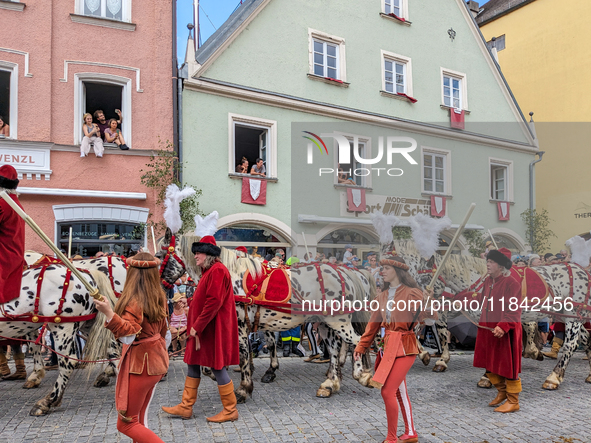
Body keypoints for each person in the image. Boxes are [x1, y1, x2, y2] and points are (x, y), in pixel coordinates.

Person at [353, 252, 434, 443]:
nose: (382, 272)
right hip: (386, 347)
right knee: (399, 391)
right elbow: (372, 325)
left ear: (397, 271)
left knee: (387, 391)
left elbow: (428, 319)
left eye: (386, 268)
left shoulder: (412, 292)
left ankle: (391, 438)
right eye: (381, 268)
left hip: (405, 346)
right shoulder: (381, 296)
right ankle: (411, 432)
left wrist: (428, 302)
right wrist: (361, 346)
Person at [162, 236, 240, 422]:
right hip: (204, 330)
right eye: (195, 253)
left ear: (209, 254)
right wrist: (189, 302)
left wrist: (197, 326)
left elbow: (214, 302)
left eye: (198, 253)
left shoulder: (218, 270)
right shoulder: (209, 271)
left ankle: (230, 410)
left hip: (211, 330)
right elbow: (205, 297)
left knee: (217, 366)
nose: (195, 256)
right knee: (193, 362)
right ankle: (186, 406)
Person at [93, 252, 169, 442]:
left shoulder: (134, 300)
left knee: (126, 423)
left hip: (141, 365)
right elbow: (164, 332)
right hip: (157, 362)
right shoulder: (159, 295)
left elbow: (128, 336)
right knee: (140, 419)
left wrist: (109, 313)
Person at [466, 247, 523, 413]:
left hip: (506, 330)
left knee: (508, 366)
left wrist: (503, 326)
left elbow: (514, 311)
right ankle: (502, 392)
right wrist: (460, 300)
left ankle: (513, 401)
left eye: (491, 262)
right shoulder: (488, 281)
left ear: (501, 265)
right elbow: (481, 300)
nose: (488, 265)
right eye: (488, 261)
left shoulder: (512, 282)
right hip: (488, 328)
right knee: (488, 363)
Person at [0, 165, 28, 380]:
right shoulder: (16, 203)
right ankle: (18, 367)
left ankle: (5, 367)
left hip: (4, 258)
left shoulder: (2, 203)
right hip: (16, 257)